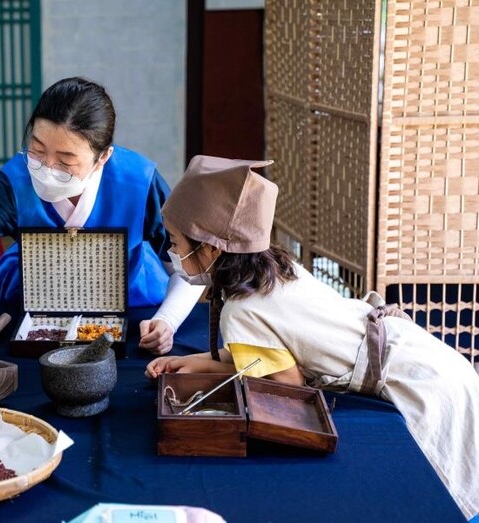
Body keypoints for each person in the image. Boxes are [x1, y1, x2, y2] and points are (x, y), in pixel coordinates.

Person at [145, 155, 479, 519]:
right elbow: (273, 350)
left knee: (440, 496)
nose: (172, 253)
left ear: (210, 248)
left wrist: (206, 369)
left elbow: (287, 382)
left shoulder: (241, 309)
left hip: (421, 383)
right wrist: (196, 362)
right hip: (425, 354)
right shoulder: (277, 266)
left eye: (176, 243)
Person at [0, 77, 205, 365]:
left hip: (133, 310)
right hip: (31, 312)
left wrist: (167, 319)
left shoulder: (138, 181)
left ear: (103, 157)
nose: (47, 168)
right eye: (37, 149)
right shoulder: (15, 180)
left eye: (65, 161)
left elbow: (190, 266)